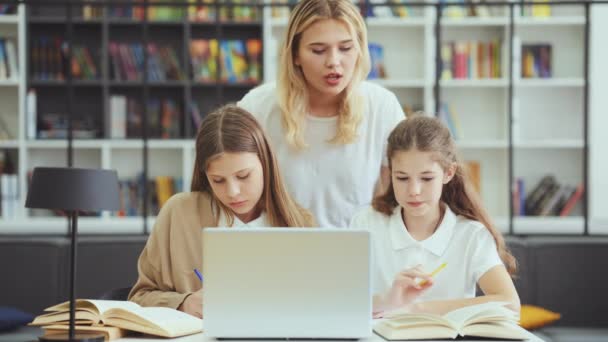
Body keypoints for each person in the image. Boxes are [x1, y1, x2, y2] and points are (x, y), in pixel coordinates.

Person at [128, 104, 315, 318]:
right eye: (218, 180)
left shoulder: (300, 223)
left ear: (265, 163)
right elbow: (138, 299)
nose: (233, 192)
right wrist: (183, 303)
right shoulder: (179, 213)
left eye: (243, 176)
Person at [238, 0, 404, 228]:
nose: (334, 62)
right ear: (295, 54)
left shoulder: (383, 107)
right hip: (279, 251)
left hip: (357, 253)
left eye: (346, 48)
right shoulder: (257, 107)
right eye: (318, 50)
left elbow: (394, 205)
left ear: (359, 50)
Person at [350, 115, 520, 316]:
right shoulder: (366, 223)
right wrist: (388, 301)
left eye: (427, 178)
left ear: (448, 173)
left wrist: (417, 309)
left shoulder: (471, 234)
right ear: (389, 174)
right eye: (402, 178)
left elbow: (510, 304)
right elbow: (340, 303)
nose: (414, 190)